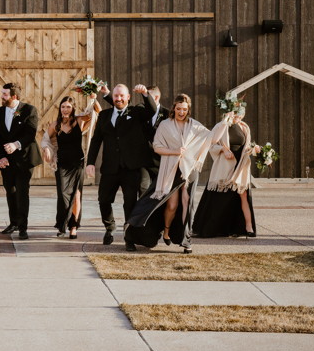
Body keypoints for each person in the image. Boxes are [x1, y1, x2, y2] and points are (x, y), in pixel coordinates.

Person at [124, 94, 230, 254]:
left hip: (190, 171)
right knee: (172, 206)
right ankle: (166, 231)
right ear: (174, 108)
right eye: (178, 108)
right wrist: (174, 151)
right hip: (171, 170)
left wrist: (225, 120)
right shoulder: (165, 125)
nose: (181, 112)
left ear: (188, 110)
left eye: (184, 109)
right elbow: (157, 147)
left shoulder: (195, 125)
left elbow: (213, 138)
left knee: (188, 204)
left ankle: (186, 241)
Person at [85, 84, 157, 245]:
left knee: (130, 203)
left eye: (122, 96)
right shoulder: (103, 115)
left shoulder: (136, 113)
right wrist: (90, 163)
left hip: (130, 168)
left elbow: (152, 110)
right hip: (110, 167)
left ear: (128, 97)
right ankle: (109, 227)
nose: (119, 99)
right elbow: (96, 141)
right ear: (113, 97)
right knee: (104, 200)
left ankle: (129, 237)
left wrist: (145, 94)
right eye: (116, 96)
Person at [193, 102, 261, 238]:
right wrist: (223, 149)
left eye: (241, 113)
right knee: (220, 198)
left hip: (240, 166)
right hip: (224, 165)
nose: (238, 116)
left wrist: (255, 149)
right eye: (236, 112)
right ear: (230, 112)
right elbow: (210, 144)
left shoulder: (244, 128)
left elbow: (245, 147)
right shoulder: (221, 126)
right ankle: (210, 228)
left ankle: (248, 227)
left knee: (243, 196)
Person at [40, 94, 100, 239]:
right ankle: (61, 225)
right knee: (63, 196)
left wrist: (94, 98)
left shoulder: (79, 120)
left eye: (68, 107)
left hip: (77, 163)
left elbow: (97, 112)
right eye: (63, 107)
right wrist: (47, 149)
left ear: (73, 108)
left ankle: (73, 226)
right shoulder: (56, 125)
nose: (65, 109)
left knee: (76, 196)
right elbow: (45, 140)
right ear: (60, 108)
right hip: (62, 164)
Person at [0, 82, 42, 240]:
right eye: (2, 93)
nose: (2, 96)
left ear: (14, 96)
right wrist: (0, 157)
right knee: (10, 191)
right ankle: (13, 222)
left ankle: (23, 227)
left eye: (5, 94)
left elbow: (30, 134)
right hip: (7, 161)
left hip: (24, 159)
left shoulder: (29, 110)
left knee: (22, 192)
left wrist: (16, 144)